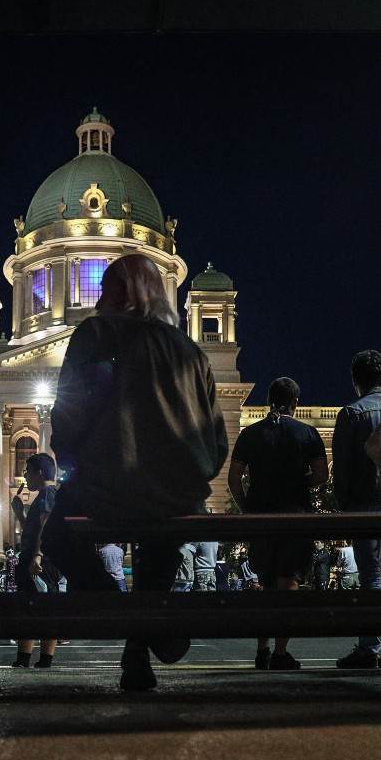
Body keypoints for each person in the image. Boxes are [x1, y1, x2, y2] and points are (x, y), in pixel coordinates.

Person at [40, 253, 228, 691]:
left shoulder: (97, 334)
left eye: (105, 289)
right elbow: (217, 441)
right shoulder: (192, 352)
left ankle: (127, 616)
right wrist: (187, 476)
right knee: (158, 554)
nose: (97, 301)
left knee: (56, 538)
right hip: (178, 494)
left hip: (111, 484)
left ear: (126, 294)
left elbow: (69, 412)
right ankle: (141, 651)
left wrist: (74, 462)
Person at [229, 377, 328, 671]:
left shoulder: (250, 433)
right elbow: (322, 475)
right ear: (295, 403)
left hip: (261, 518)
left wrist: (246, 507)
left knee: (265, 584)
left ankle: (262, 650)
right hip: (294, 518)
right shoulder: (307, 432)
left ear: (269, 400)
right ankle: (280, 653)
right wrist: (298, 483)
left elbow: (234, 478)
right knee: (288, 583)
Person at [332, 349, 381, 669]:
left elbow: (342, 467)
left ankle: (368, 647)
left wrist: (343, 504)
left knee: (370, 576)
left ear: (354, 380)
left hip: (364, 503)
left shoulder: (351, 413)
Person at [10, 453, 60, 669]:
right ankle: (33, 659)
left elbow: (45, 526)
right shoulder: (45, 495)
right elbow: (34, 529)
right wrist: (20, 513)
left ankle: (31, 659)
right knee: (34, 607)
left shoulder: (48, 493)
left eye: (27, 472)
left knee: (34, 608)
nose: (25, 477)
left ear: (39, 473)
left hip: (39, 561)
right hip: (37, 558)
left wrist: (37, 555)